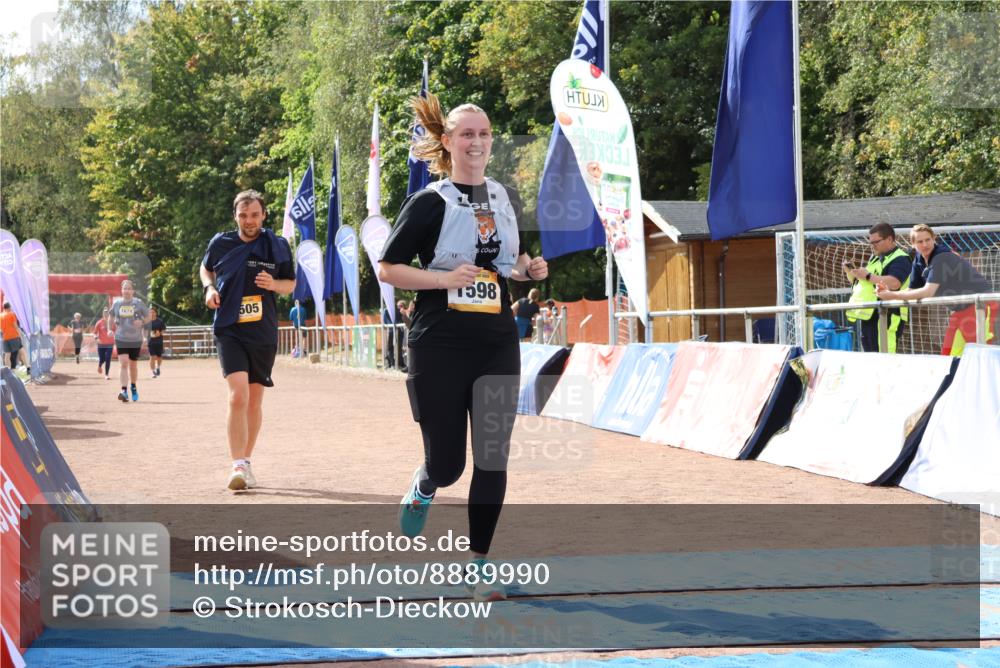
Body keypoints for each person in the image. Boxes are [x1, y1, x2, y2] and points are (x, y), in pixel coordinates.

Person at [377, 92, 548, 601]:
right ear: (448, 142)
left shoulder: (503, 197)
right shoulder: (430, 201)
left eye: (484, 133)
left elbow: (509, 265)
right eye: (466, 134)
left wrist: (528, 271)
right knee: (450, 466)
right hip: (439, 342)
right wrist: (443, 278)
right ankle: (426, 483)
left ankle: (477, 566)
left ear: (491, 141)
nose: (477, 141)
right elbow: (388, 268)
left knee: (492, 456)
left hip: (496, 340)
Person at [201, 189, 295, 491]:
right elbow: (206, 268)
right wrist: (209, 289)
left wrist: (273, 283)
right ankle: (237, 465)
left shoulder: (277, 246)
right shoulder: (221, 243)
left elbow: (290, 284)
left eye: (254, 214)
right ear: (235, 216)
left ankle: (247, 463)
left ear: (263, 215)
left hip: (262, 331)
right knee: (237, 395)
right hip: (229, 328)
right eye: (243, 215)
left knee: (254, 400)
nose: (249, 220)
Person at [877, 224, 998, 356]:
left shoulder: (941, 257)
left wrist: (891, 295)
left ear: (934, 239)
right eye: (920, 241)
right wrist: (888, 292)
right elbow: (911, 290)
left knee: (983, 356)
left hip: (982, 307)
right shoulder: (918, 260)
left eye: (928, 240)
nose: (925, 244)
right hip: (960, 311)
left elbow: (928, 292)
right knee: (948, 356)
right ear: (913, 244)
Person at [845, 222, 912, 353]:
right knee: (872, 359)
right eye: (871, 242)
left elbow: (894, 283)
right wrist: (851, 272)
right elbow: (862, 283)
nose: (872, 246)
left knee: (885, 357)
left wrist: (868, 276)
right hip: (870, 316)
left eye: (876, 242)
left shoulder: (901, 258)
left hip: (888, 315)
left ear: (890, 239)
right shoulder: (875, 259)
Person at [110, 279, 148, 402]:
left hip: (135, 339)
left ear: (133, 291)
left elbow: (148, 317)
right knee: (124, 363)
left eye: (129, 288)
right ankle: (124, 390)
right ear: (121, 291)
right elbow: (110, 317)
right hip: (121, 337)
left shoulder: (139, 303)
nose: (126, 290)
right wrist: (110, 329)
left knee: (132, 365)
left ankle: (133, 386)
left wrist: (141, 322)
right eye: (124, 288)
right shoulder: (117, 304)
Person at [1, 303, 26, 373]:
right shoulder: (11, 314)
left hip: (5, 338)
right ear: (9, 307)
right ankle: (27, 368)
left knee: (7, 355)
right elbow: (15, 326)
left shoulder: (0, 315)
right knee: (20, 351)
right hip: (13, 336)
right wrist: (20, 335)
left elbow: (1, 329)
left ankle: (8, 371)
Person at [383, 300, 408, 371]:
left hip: (392, 331)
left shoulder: (386, 310)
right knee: (398, 347)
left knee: (390, 348)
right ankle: (400, 363)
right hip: (399, 330)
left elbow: (385, 320)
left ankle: (392, 364)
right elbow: (402, 319)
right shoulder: (398, 310)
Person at [94, 307, 115, 379]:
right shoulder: (99, 323)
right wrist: (96, 338)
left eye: (107, 313)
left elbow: (116, 331)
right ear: (103, 314)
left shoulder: (113, 323)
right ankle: (100, 365)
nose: (106, 314)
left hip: (110, 343)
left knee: (108, 358)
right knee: (102, 358)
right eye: (105, 313)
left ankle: (106, 374)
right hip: (101, 344)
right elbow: (94, 333)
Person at [145, 307, 166, 377]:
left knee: (159, 357)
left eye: (153, 312)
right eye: (150, 312)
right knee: (152, 356)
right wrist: (144, 338)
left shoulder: (160, 321)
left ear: (156, 313)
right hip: (150, 342)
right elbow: (144, 331)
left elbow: (163, 330)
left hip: (159, 341)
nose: (152, 314)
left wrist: (159, 333)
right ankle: (153, 371)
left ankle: (158, 367)